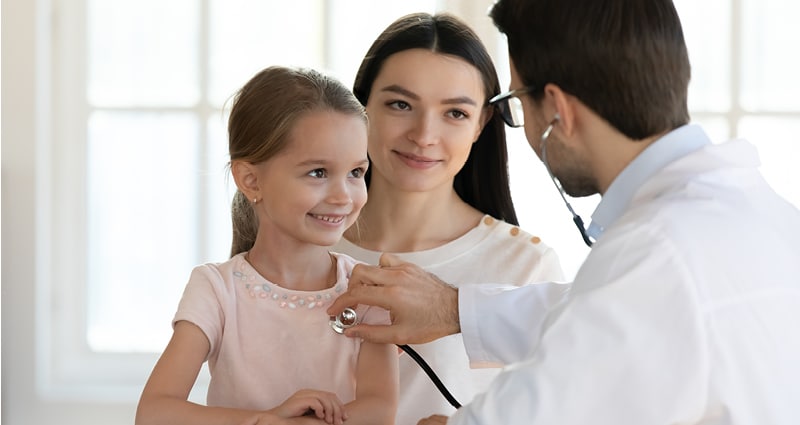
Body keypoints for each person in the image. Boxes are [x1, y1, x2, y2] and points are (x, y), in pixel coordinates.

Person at [328, 0, 800, 424]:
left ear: (556, 109)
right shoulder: (763, 217)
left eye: (516, 101)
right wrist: (454, 308)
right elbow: (600, 313)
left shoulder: (656, 248)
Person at [330, 12, 566, 425]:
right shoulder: (299, 239)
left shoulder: (526, 266)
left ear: (481, 124)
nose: (423, 135)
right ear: (362, 106)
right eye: (400, 104)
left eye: (455, 113)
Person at [136, 66, 398, 425]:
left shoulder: (367, 293)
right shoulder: (216, 290)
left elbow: (378, 410)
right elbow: (154, 413)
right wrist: (264, 419)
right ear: (250, 179)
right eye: (318, 172)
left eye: (356, 172)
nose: (343, 196)